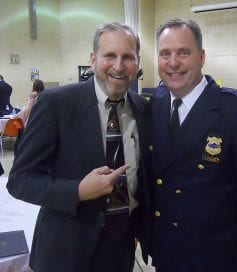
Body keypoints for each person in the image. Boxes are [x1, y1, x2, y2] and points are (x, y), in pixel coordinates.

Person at [7, 22, 150, 272]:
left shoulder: (143, 109)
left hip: (120, 249)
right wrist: (78, 191)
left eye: (128, 57)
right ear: (93, 59)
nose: (118, 66)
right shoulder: (56, 104)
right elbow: (19, 180)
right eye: (110, 55)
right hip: (64, 250)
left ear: (137, 62)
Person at [148, 19, 237, 272]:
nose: (173, 63)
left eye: (183, 52)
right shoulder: (157, 103)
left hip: (216, 259)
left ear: (202, 56)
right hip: (167, 254)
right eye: (165, 54)